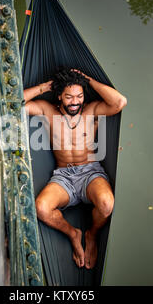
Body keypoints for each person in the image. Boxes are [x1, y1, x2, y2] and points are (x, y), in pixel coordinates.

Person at [23, 68, 127, 269]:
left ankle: (92, 234)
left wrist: (87, 80)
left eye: (79, 96)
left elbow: (119, 102)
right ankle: (73, 233)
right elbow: (14, 104)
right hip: (63, 177)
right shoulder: (47, 110)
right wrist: (44, 87)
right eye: (69, 97)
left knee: (106, 204)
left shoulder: (92, 110)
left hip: (90, 172)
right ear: (59, 95)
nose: (75, 102)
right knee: (41, 208)